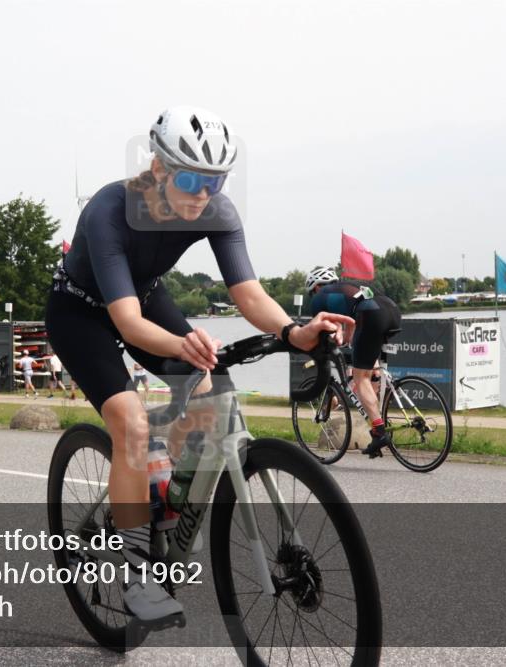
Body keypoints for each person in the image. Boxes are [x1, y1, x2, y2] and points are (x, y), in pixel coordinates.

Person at [45, 106, 352, 622]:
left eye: (217, 181)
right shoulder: (109, 209)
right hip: (80, 311)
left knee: (210, 382)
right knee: (131, 421)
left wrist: (292, 331)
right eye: (191, 179)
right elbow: (125, 322)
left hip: (144, 297)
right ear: (158, 168)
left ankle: (167, 492)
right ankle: (138, 575)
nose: (204, 194)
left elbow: (249, 294)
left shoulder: (216, 209)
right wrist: (179, 344)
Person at [305, 266, 402, 458]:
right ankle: (377, 410)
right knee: (367, 366)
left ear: (315, 288)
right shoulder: (345, 289)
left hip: (371, 315)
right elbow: (350, 322)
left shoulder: (320, 298)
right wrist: (346, 337)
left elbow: (320, 334)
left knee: (359, 378)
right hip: (392, 311)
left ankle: (379, 431)